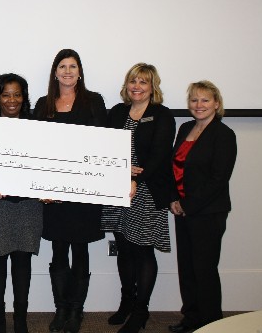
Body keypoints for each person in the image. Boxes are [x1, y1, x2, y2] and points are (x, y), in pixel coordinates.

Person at [33, 49, 107, 333]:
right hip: (54, 194)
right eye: (62, 66)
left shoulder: (93, 101)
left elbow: (103, 143)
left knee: (81, 248)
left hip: (84, 192)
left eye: (72, 66)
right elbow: (35, 149)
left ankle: (76, 311)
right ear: (55, 72)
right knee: (59, 249)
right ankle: (61, 309)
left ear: (79, 71)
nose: (67, 71)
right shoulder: (43, 104)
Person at [101, 63, 175, 333]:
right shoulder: (118, 112)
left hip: (144, 190)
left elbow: (159, 156)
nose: (137, 86)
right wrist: (120, 171)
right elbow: (105, 146)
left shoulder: (162, 115)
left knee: (143, 250)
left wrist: (135, 179)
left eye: (143, 82)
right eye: (133, 81)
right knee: (124, 247)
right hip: (116, 188)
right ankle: (126, 303)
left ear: (152, 86)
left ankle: (141, 311)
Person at [0, 73, 43, 333]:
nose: (11, 100)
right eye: (5, 94)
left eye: (17, 94)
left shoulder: (39, 127)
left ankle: (21, 321)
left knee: (23, 262)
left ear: (24, 98)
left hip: (28, 206)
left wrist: (49, 188)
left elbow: (47, 167)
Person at [168, 81, 237, 333]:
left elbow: (219, 179)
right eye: (194, 100)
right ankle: (191, 318)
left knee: (204, 269)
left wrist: (188, 205)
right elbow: (174, 167)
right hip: (182, 210)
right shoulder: (185, 127)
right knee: (186, 267)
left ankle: (210, 322)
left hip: (207, 213)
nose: (199, 105)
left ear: (216, 104)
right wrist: (174, 201)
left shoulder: (224, 134)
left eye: (205, 100)